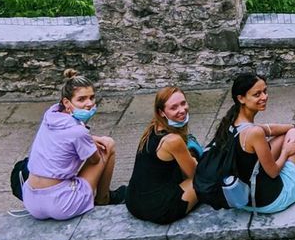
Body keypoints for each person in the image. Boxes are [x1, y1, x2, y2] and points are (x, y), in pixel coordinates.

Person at [22, 69, 123, 220]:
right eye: (81, 99)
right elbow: (94, 160)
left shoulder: (50, 115)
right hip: (61, 205)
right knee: (107, 145)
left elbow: (62, 137)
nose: (89, 104)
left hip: (31, 200)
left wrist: (89, 138)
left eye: (92, 98)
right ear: (67, 102)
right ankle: (103, 199)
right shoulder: (78, 132)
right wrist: (89, 141)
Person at [213, 73, 295, 214]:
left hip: (243, 197)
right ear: (241, 98)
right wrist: (286, 150)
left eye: (265, 91)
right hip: (269, 201)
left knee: (292, 130)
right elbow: (273, 173)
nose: (264, 97)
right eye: (257, 94)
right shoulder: (253, 133)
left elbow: (269, 129)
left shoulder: (232, 121)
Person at [125, 86, 201, 224]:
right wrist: (194, 161)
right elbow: (195, 175)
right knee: (205, 181)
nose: (182, 110)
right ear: (162, 112)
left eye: (183, 103)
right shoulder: (173, 140)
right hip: (158, 208)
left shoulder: (153, 127)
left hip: (133, 201)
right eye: (174, 107)